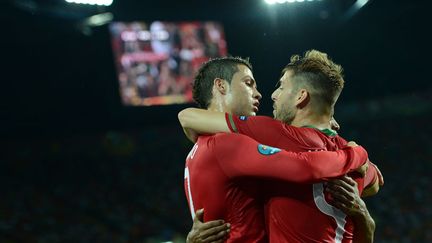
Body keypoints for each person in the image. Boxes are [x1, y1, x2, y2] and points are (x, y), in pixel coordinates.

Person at [179, 51, 383, 242]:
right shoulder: (230, 143)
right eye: (249, 83)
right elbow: (374, 182)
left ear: (301, 96)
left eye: (282, 87)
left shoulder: (267, 134)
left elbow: (186, 116)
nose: (268, 94)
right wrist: (358, 154)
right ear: (221, 86)